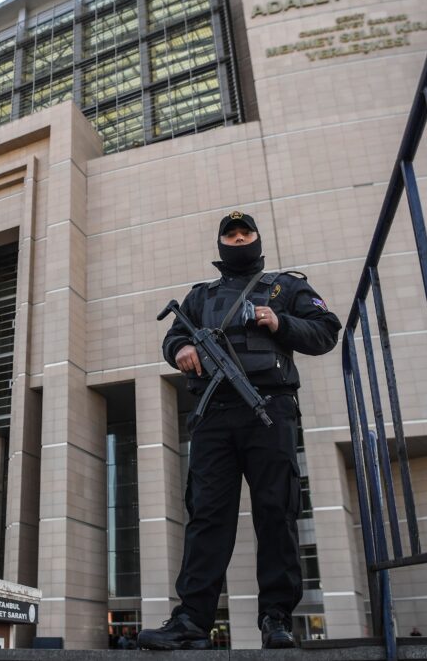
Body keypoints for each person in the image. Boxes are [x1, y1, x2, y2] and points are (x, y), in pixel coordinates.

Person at [138, 211, 341, 651]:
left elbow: (327, 332)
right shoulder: (200, 296)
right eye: (230, 234)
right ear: (221, 244)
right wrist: (183, 348)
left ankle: (276, 617)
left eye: (244, 232)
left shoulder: (287, 287)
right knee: (208, 515)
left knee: (276, 511)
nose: (238, 238)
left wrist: (280, 322)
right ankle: (192, 619)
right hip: (214, 414)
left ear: (256, 238)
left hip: (270, 409)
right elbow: (172, 337)